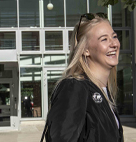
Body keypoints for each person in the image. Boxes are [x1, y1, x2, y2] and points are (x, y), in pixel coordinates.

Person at [44, 13, 123, 141]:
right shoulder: (74, 87)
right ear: (86, 50)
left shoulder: (103, 91)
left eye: (114, 36)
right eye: (104, 39)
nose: (114, 44)